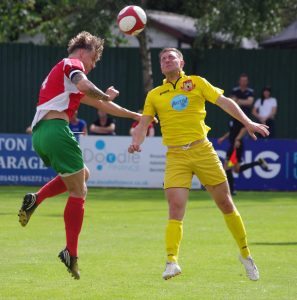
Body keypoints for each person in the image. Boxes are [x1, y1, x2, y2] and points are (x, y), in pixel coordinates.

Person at [128, 48, 269, 281]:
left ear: (181, 62)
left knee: (225, 203)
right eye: (162, 59)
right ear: (160, 67)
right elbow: (144, 124)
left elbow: (224, 102)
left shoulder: (196, 82)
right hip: (176, 156)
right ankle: (171, 261)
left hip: (202, 150)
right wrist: (136, 141)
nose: (166, 60)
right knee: (175, 208)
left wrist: (248, 121)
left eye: (171, 57)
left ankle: (245, 254)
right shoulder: (155, 94)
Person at [18, 31, 142, 280]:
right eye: (94, 60)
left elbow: (104, 106)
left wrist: (135, 116)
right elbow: (88, 86)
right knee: (79, 191)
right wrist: (104, 94)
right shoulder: (72, 64)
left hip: (42, 133)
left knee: (82, 174)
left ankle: (36, 199)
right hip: (55, 130)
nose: (93, 66)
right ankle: (70, 253)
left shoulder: (64, 80)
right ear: (84, 52)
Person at [218, 122, 271, 196]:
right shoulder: (232, 119)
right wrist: (223, 138)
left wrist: (237, 139)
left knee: (227, 168)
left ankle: (232, 190)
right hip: (234, 146)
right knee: (237, 170)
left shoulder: (238, 118)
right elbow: (232, 131)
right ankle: (258, 162)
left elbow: (244, 128)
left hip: (236, 146)